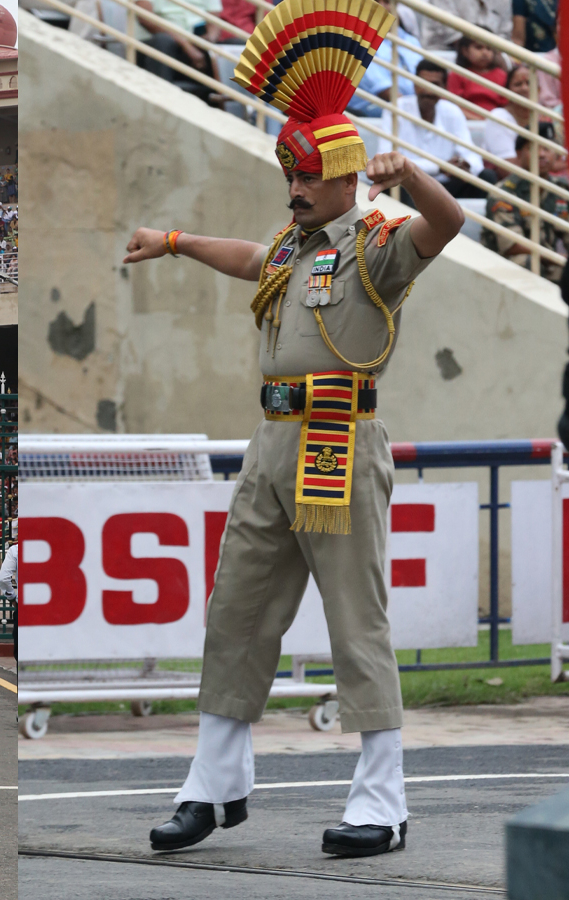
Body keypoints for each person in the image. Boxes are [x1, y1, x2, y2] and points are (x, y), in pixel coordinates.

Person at [122, 0, 463, 859]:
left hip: (339, 441)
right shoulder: (293, 244)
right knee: (234, 616)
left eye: (308, 173)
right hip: (273, 444)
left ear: (347, 174)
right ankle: (214, 785)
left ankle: (381, 804)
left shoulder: (377, 241)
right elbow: (248, 256)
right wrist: (172, 239)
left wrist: (411, 176)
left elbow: (448, 226)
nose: (295, 185)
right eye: (290, 171)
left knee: (358, 624)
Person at [377, 60, 486, 198]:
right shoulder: (395, 109)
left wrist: (465, 165)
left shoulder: (452, 111)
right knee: (394, 185)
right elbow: (389, 163)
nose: (428, 90)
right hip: (410, 187)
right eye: (423, 84)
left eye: (435, 85)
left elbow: (472, 157)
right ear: (415, 85)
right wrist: (439, 167)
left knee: (486, 177)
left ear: (444, 88)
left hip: (445, 187)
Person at [483, 132, 569, 280]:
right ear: (519, 154)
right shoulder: (505, 192)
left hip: (548, 262)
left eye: (547, 149)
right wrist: (558, 258)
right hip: (505, 264)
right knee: (527, 262)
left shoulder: (561, 189)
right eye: (533, 148)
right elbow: (511, 246)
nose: (541, 155)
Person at [448, 36, 510, 115]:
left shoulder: (501, 75)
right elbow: (454, 105)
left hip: (496, 121)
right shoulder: (457, 74)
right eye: (479, 47)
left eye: (488, 48)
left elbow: (505, 105)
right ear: (465, 51)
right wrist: (478, 119)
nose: (485, 52)